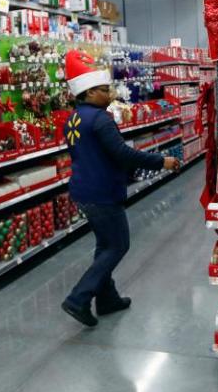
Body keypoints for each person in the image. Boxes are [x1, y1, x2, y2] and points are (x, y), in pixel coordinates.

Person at [60, 50, 180, 327]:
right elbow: (122, 154)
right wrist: (162, 160)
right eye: (104, 90)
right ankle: (78, 298)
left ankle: (107, 298)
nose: (110, 94)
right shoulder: (101, 119)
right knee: (117, 245)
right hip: (101, 192)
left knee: (105, 245)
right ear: (88, 92)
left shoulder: (74, 118)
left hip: (83, 190)